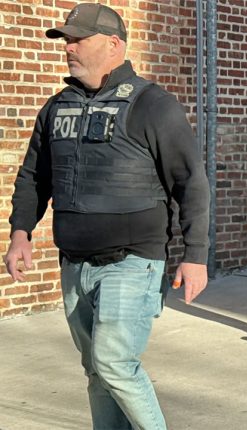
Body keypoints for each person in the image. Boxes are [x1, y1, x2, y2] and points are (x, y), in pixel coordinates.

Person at [3, 4, 209, 429]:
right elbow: (34, 177)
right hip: (74, 264)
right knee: (96, 370)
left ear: (114, 45)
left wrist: (196, 255)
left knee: (114, 362)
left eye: (78, 39)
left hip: (132, 261)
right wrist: (20, 233)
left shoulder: (153, 105)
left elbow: (191, 182)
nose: (69, 48)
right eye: (66, 40)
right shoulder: (57, 108)